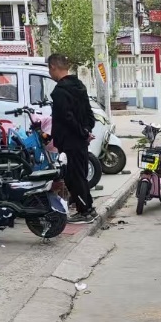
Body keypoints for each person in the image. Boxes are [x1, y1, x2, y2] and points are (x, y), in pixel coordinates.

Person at [46, 53, 96, 223]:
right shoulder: (79, 86)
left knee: (74, 177)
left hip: (69, 141)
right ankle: (88, 208)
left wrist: (83, 133)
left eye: (49, 69)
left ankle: (84, 212)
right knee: (80, 175)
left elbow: (67, 118)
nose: (50, 73)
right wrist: (87, 131)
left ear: (53, 67)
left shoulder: (59, 91)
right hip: (80, 140)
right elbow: (89, 113)